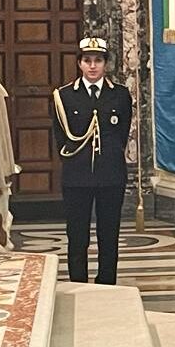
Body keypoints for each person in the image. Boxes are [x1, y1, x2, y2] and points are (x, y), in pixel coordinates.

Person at [51, 37, 133, 284]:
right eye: (87, 60)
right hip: (77, 175)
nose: (93, 66)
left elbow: (122, 133)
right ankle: (78, 283)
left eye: (98, 60)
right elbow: (60, 136)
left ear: (106, 64)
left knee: (109, 234)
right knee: (77, 236)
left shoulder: (119, 95)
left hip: (110, 174)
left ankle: (107, 283)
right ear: (79, 63)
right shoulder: (64, 96)